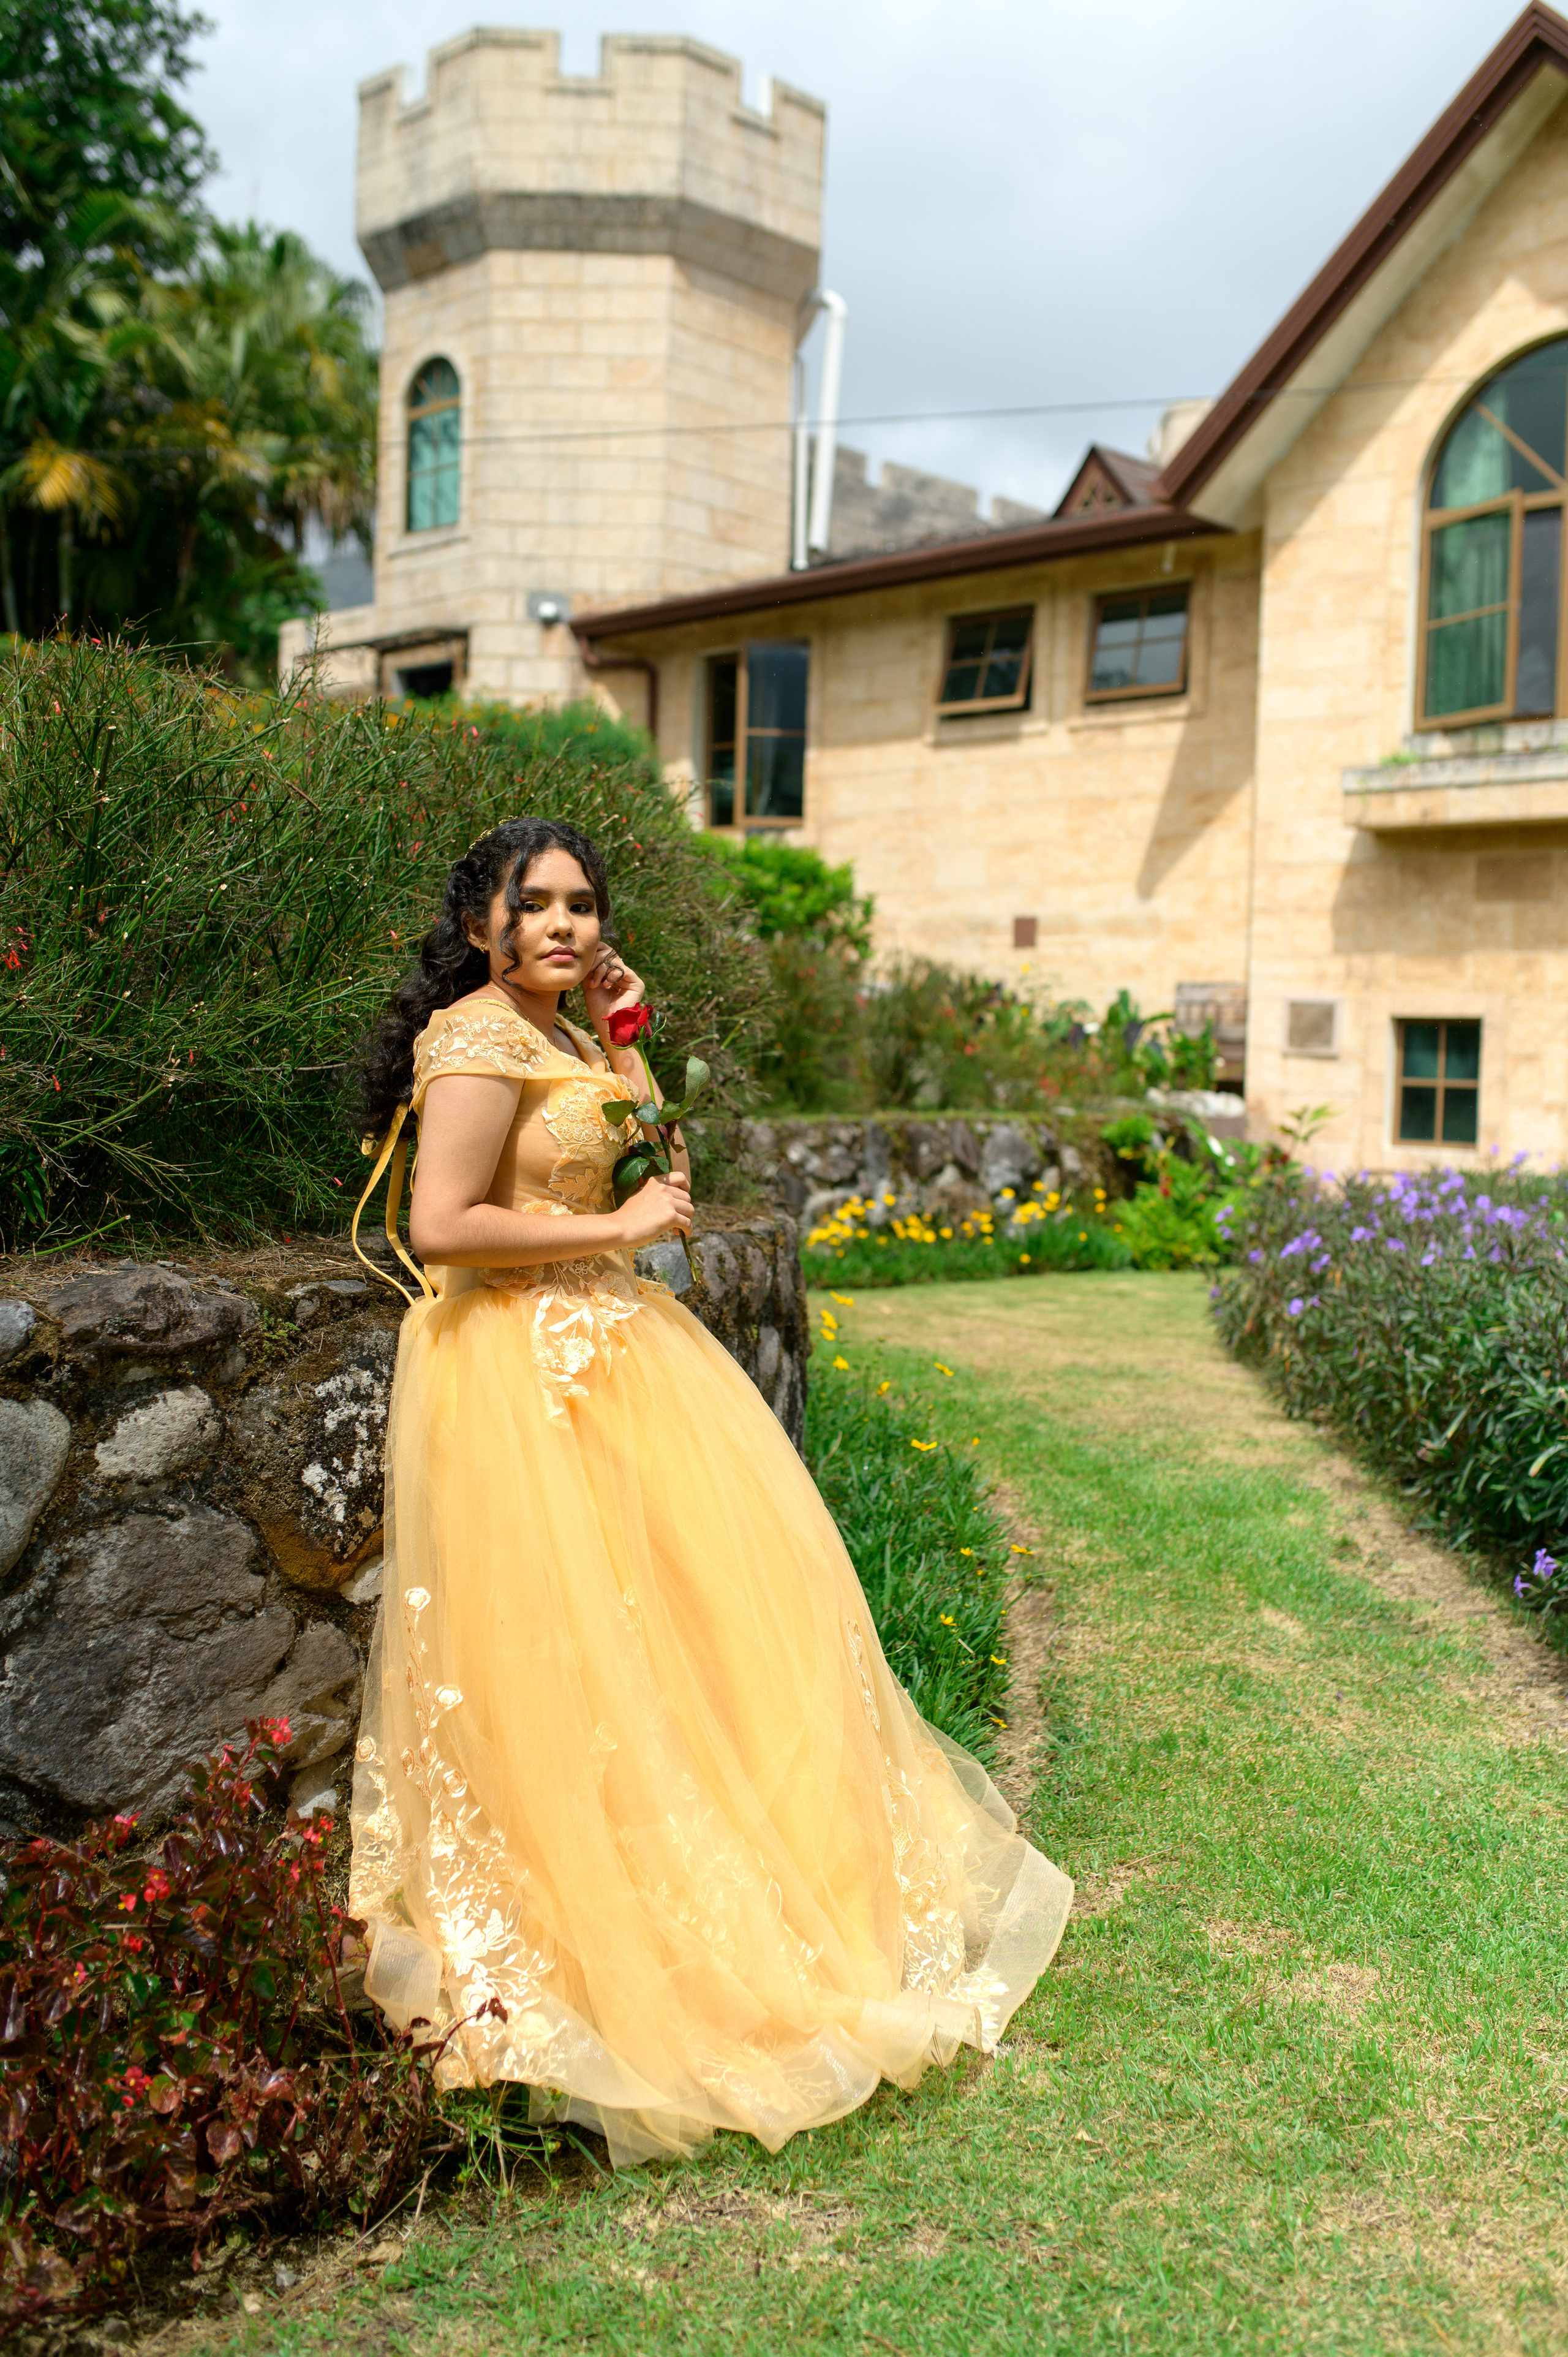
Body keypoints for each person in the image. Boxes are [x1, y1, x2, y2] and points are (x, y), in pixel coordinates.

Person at [347, 815, 1073, 2165]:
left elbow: (633, 1174)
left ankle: (732, 1916)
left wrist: (625, 1049)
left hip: (620, 1356)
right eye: (534, 903)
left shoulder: (573, 1036)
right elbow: (442, 1226)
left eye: (580, 903)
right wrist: (613, 1229)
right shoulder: (471, 1040)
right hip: (515, 1371)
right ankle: (580, 1961)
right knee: (565, 1666)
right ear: (477, 926)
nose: (562, 924)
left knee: (687, 1649)